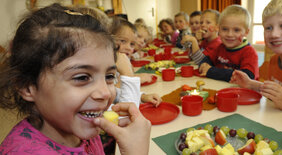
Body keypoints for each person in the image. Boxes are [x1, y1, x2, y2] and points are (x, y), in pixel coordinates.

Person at [0, 3, 151, 154]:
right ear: (27, 86)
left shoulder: (80, 127)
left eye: (109, 76)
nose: (105, 93)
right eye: (82, 77)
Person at [230, 0, 282, 113]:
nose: (274, 34)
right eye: (268, 28)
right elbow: (276, 91)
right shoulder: (274, 61)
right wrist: (250, 84)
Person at [198, 5, 259, 82]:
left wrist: (211, 71)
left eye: (236, 30)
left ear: (246, 32)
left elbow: (246, 76)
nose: (230, 34)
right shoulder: (220, 47)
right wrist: (204, 64)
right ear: (219, 29)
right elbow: (207, 59)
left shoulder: (249, 52)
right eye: (225, 29)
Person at [111, 17, 161, 107]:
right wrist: (129, 76)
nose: (129, 48)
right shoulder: (104, 70)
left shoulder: (116, 65)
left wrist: (142, 97)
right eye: (122, 41)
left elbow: (116, 93)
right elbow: (128, 108)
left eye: (132, 44)